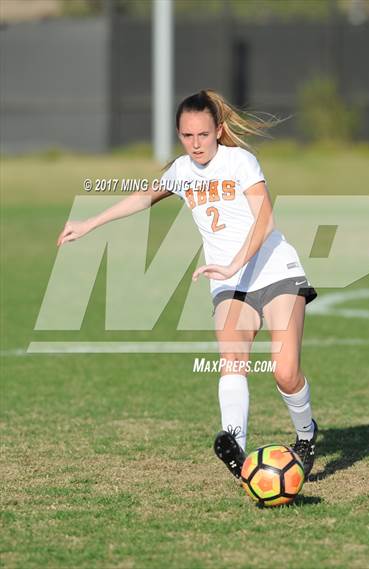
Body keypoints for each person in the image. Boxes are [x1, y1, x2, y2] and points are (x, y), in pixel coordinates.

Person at [57, 89, 318, 481]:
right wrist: (89, 223)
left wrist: (233, 262)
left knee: (284, 371)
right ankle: (236, 448)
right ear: (179, 135)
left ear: (218, 130)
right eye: (187, 136)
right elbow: (144, 198)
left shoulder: (240, 162)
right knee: (233, 359)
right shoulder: (181, 171)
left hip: (275, 271)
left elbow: (265, 220)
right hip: (228, 284)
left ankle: (306, 434)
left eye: (203, 134)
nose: (196, 144)